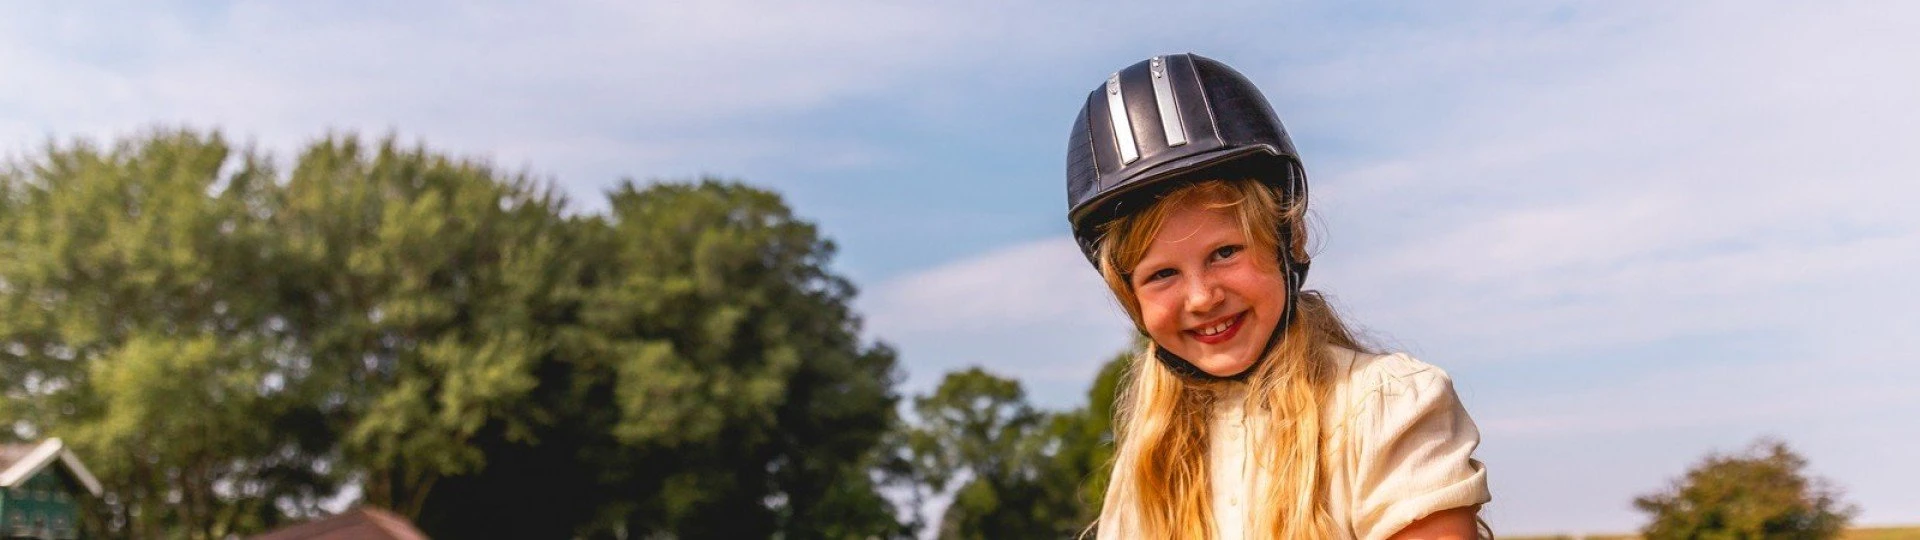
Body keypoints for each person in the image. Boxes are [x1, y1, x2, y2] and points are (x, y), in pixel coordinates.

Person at [1065, 54, 1491, 539]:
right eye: (1162, 274)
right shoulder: (1149, 459)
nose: (1202, 297)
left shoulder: (1388, 406)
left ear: (1289, 241)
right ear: (1130, 297)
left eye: (1224, 252)